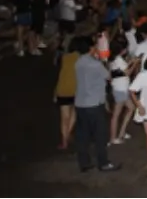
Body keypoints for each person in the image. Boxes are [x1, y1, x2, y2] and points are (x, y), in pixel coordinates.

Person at [73, 35, 121, 173]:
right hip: (94, 103)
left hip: (80, 103)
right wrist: (103, 61)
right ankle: (103, 162)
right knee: (100, 135)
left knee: (83, 135)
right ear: (90, 48)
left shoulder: (78, 62)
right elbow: (108, 76)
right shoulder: (95, 64)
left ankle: (84, 163)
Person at [108, 36, 135, 145]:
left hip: (120, 88)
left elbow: (121, 71)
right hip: (121, 89)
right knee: (116, 114)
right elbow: (127, 73)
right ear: (123, 50)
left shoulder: (113, 59)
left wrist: (131, 62)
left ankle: (121, 132)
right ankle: (113, 138)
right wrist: (135, 63)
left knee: (131, 108)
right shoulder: (118, 60)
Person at [55, 38, 80, 150]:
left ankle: (64, 141)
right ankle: (69, 132)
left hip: (63, 89)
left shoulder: (64, 58)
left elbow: (61, 75)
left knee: (64, 117)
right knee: (74, 113)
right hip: (76, 89)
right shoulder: (81, 59)